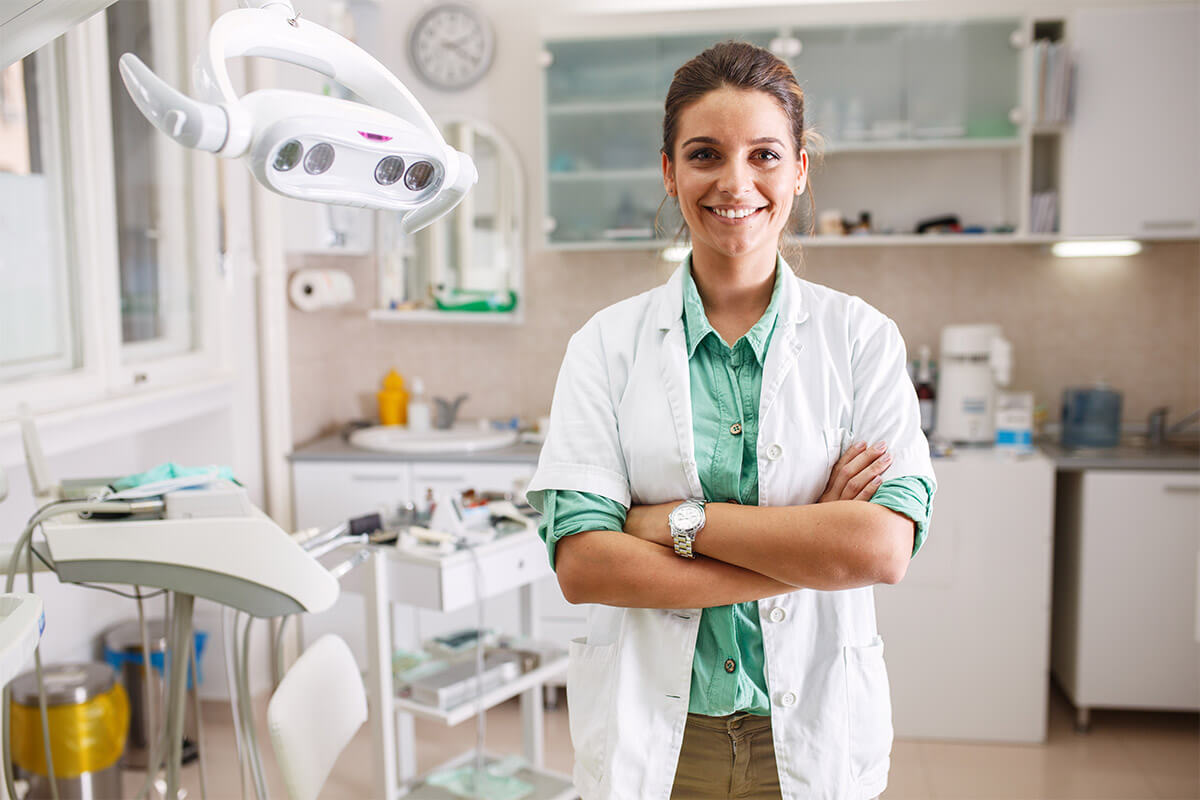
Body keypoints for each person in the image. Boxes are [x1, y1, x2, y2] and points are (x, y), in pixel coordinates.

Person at [526, 40, 936, 800]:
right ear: (670, 171)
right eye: (706, 153)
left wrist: (672, 522)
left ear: (801, 171)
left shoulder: (861, 340)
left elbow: (880, 550)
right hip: (659, 737)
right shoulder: (606, 346)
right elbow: (584, 567)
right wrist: (809, 541)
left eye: (766, 155)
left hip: (810, 733)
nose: (735, 182)